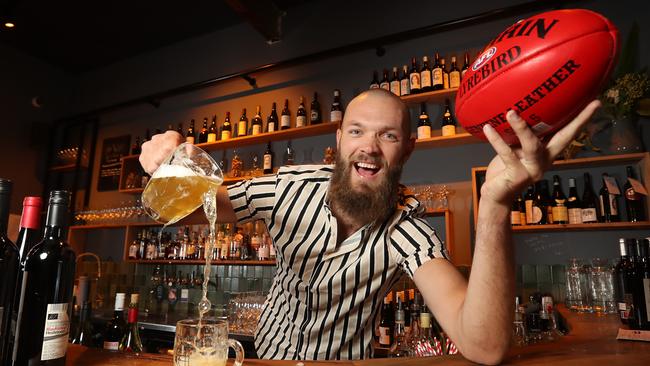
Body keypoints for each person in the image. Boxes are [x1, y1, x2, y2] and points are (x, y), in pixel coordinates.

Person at [140, 89, 600, 363]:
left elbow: (482, 346)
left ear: (408, 150)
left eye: (389, 135)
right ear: (339, 141)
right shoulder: (289, 188)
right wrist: (168, 163)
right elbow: (201, 205)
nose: (370, 148)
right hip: (268, 359)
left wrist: (495, 205)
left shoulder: (410, 232)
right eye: (358, 131)